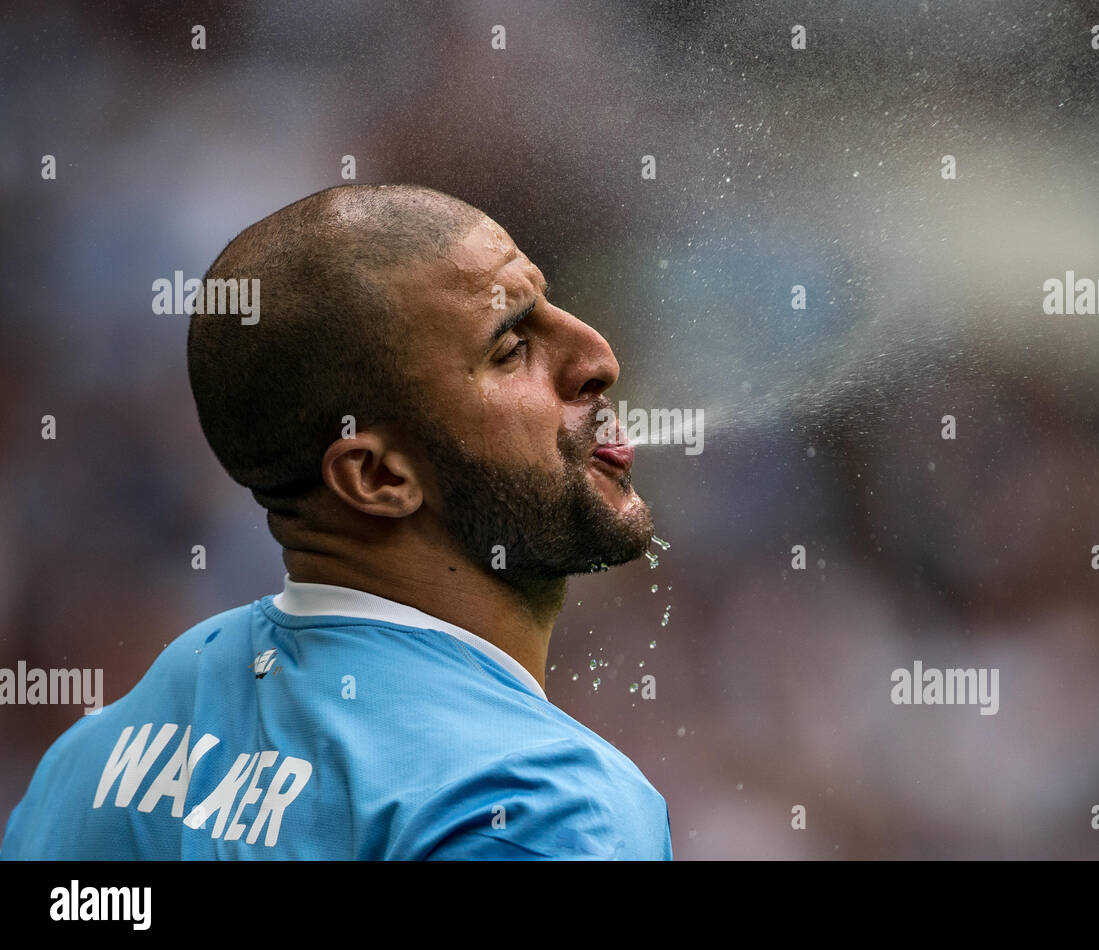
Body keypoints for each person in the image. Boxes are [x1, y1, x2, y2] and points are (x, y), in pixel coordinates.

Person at [1, 184, 671, 859]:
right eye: (510, 348)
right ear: (378, 477)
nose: (598, 357)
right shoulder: (542, 811)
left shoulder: (85, 769)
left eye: (550, 304)